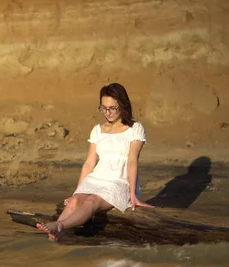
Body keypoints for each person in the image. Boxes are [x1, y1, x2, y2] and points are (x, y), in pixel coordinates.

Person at [37, 83, 154, 241]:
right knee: (75, 202)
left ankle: (60, 226)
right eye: (104, 108)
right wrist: (76, 193)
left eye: (112, 108)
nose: (108, 112)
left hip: (119, 181)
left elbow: (132, 160)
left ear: (123, 105)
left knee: (92, 201)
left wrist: (133, 194)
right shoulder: (97, 129)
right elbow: (89, 163)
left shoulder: (135, 128)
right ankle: (56, 237)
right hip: (97, 178)